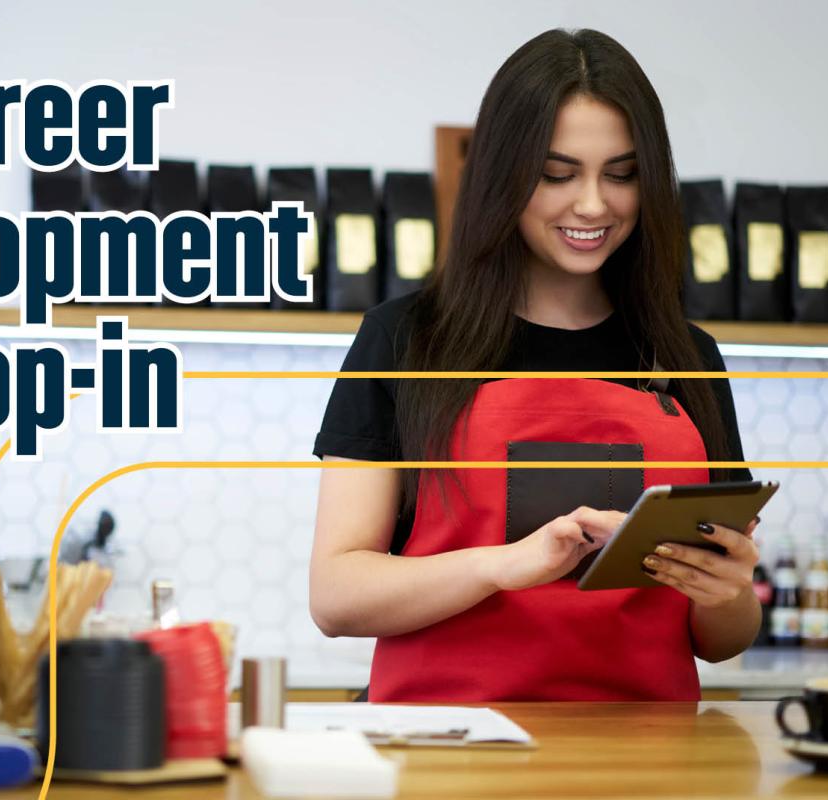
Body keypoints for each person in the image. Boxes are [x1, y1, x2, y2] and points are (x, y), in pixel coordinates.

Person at [309, 28, 761, 703]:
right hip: (448, 755)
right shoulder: (406, 339)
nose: (592, 204)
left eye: (622, 173)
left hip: (645, 762)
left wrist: (728, 592)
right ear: (502, 175)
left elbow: (721, 641)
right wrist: (505, 566)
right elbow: (336, 596)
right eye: (556, 175)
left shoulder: (688, 357)